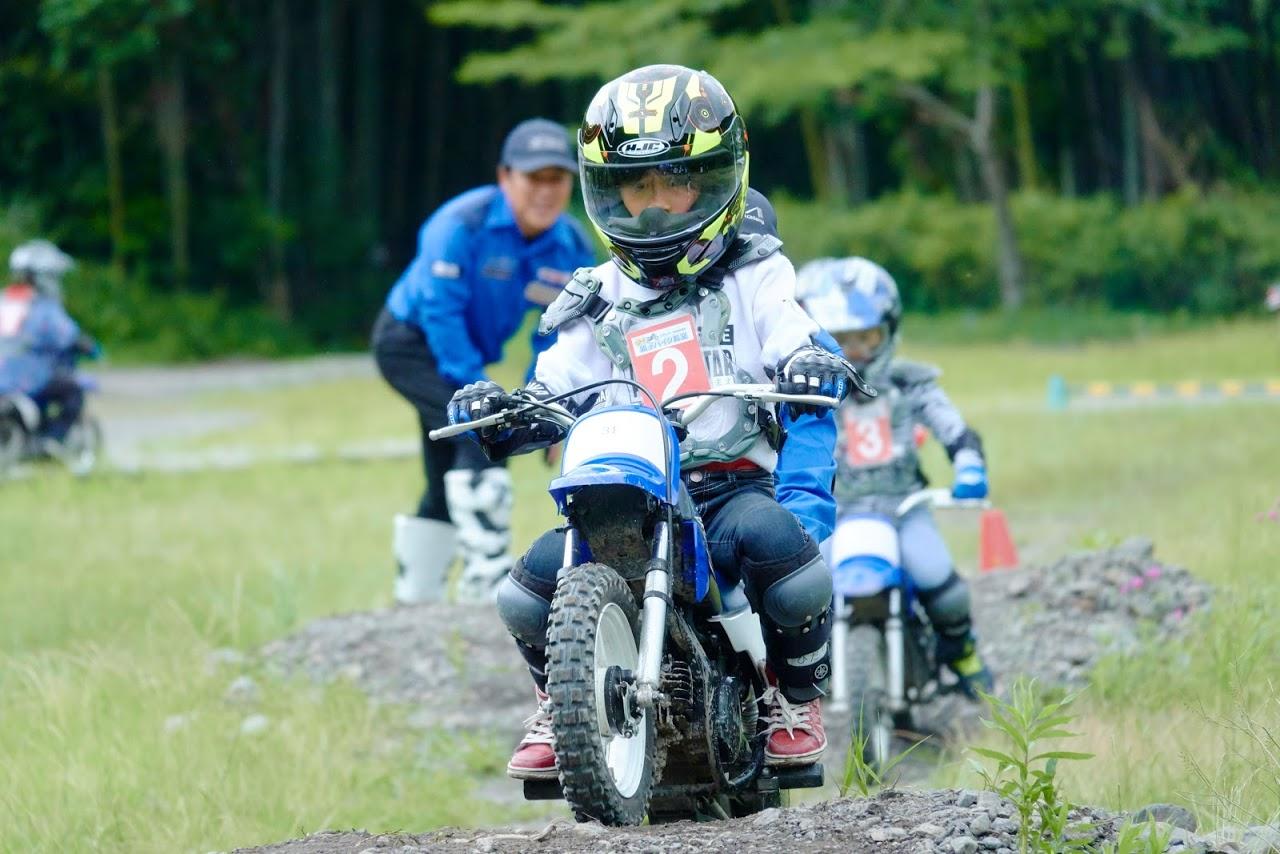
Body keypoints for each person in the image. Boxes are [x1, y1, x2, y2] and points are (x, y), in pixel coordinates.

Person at [447, 64, 873, 779]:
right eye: (634, 189)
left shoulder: (755, 273)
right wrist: (505, 407)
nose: (653, 209)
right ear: (604, 194)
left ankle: (795, 696)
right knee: (522, 591)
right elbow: (557, 378)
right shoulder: (592, 295)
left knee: (784, 554)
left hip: (725, 485)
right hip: (627, 489)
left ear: (719, 180)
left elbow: (787, 328)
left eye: (675, 184)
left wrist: (805, 361)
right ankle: (563, 700)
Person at [373, 118, 595, 604]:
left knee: (445, 472)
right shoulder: (460, 224)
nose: (545, 191)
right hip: (409, 344)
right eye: (533, 178)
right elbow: (441, 314)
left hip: (459, 356)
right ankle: (485, 590)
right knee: (478, 437)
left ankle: (414, 605)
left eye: (556, 179)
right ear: (504, 177)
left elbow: (559, 330)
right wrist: (480, 395)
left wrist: (548, 404)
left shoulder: (569, 244)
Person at [795, 256, 995, 698]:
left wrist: (968, 462)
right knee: (799, 591)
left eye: (867, 338)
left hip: (903, 508)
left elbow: (950, 424)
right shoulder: (805, 391)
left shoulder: (909, 383)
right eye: (842, 342)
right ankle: (794, 679)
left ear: (888, 330)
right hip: (832, 511)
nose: (857, 353)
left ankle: (961, 653)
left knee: (939, 579)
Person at [1, 240, 97, 448]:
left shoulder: (4, 300)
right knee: (73, 390)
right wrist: (90, 348)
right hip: (28, 378)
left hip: (4, 380)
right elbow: (68, 336)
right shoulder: (44, 307)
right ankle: (52, 440)